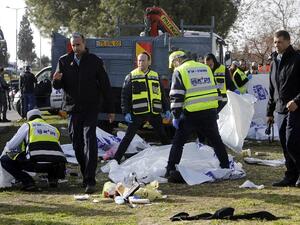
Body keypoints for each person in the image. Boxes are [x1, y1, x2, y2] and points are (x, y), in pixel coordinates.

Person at [52, 32, 115, 194]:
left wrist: (110, 109)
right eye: (73, 45)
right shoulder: (64, 61)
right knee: (77, 143)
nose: (75, 48)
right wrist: (56, 80)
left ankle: (90, 180)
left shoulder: (95, 61)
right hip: (73, 109)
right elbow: (58, 86)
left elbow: (105, 86)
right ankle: (84, 169)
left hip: (91, 108)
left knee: (89, 140)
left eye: (78, 45)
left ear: (84, 44)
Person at [165, 51, 230, 181]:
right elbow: (216, 89)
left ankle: (170, 169)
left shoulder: (180, 70)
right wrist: (214, 109)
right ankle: (226, 166)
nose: (173, 68)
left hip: (191, 113)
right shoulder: (205, 67)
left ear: (176, 60)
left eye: (173, 65)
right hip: (209, 111)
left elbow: (177, 95)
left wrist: (176, 115)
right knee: (216, 140)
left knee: (178, 143)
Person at [113, 52, 171, 163]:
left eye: (143, 60)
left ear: (149, 62)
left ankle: (171, 158)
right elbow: (125, 96)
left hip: (154, 112)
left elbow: (162, 94)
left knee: (163, 136)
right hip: (137, 113)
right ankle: (116, 159)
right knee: (128, 137)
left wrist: (167, 109)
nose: (140, 63)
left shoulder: (155, 75)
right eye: (139, 60)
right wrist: (126, 112)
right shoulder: (131, 76)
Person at [0, 109, 66, 191]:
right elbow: (57, 151)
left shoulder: (28, 125)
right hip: (54, 165)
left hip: (34, 163)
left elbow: (11, 145)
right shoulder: (53, 128)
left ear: (29, 118)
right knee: (52, 155)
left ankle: (28, 182)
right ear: (41, 117)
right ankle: (53, 178)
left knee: (5, 160)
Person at [266, 30, 300, 187]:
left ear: (288, 42)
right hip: (279, 110)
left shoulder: (297, 58)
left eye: (279, 42)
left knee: (292, 143)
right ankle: (290, 176)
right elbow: (272, 89)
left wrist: (297, 101)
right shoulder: (274, 61)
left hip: (296, 109)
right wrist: (269, 112)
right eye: (274, 42)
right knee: (285, 146)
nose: (276, 45)